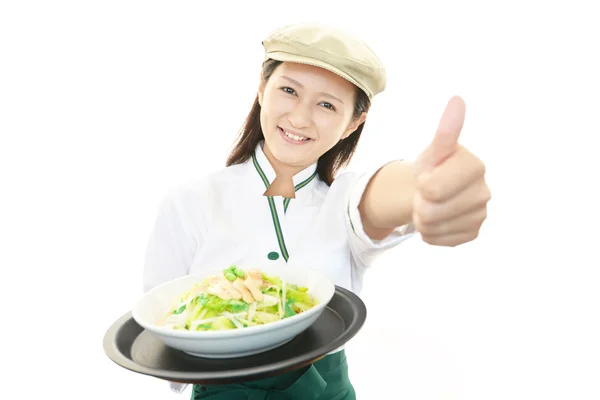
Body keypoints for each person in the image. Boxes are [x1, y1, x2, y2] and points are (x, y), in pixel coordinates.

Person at [143, 21, 491, 400]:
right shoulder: (190, 200)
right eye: (289, 91)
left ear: (353, 123)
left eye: (327, 104)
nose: (300, 118)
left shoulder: (341, 200)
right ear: (262, 89)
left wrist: (421, 188)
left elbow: (374, 200)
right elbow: (160, 319)